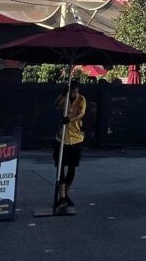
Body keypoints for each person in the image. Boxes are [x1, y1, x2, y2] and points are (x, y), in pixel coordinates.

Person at [54, 79, 86, 209]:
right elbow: (57, 105)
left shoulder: (81, 99)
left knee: (72, 167)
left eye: (75, 92)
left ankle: (65, 194)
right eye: (72, 92)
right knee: (60, 167)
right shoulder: (64, 98)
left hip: (76, 137)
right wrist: (63, 95)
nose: (74, 94)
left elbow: (81, 114)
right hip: (62, 138)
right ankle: (62, 196)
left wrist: (70, 119)